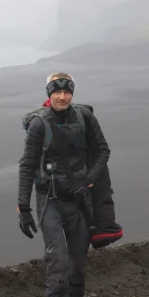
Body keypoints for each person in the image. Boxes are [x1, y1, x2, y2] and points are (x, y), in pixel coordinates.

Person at [16, 72, 111, 297]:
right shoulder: (39, 125)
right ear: (48, 94)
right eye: (56, 92)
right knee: (58, 259)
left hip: (80, 200)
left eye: (67, 92)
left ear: (72, 93)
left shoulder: (84, 117)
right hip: (50, 201)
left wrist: (89, 181)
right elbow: (27, 166)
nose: (62, 97)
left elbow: (103, 150)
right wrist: (23, 207)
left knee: (79, 260)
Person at [24, 97, 124, 249]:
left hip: (63, 192)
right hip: (55, 193)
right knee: (60, 254)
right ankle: (102, 228)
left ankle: (99, 229)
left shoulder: (74, 124)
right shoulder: (47, 126)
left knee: (73, 254)